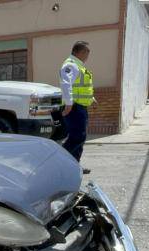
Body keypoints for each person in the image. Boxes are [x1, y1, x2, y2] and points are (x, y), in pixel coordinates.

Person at [60, 41, 95, 174]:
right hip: (73, 107)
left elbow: (81, 87)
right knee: (76, 137)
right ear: (79, 52)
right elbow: (66, 84)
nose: (88, 55)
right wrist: (69, 104)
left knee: (80, 137)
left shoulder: (79, 66)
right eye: (87, 52)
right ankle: (58, 163)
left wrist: (91, 98)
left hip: (80, 106)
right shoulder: (71, 65)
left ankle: (74, 167)